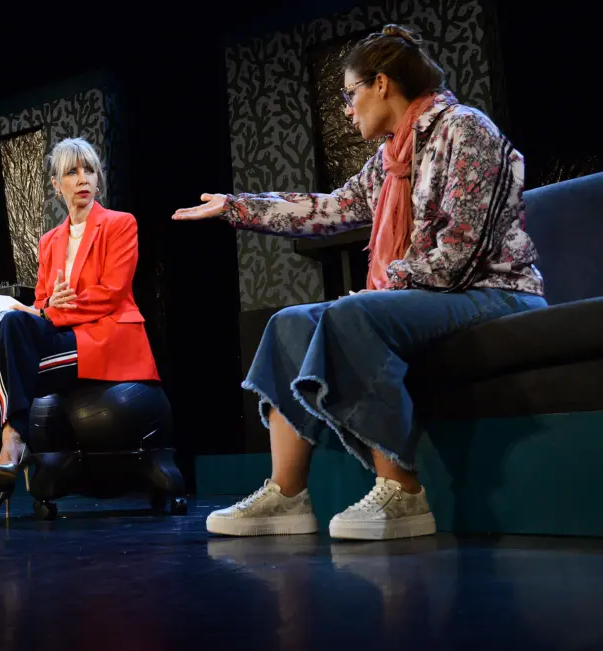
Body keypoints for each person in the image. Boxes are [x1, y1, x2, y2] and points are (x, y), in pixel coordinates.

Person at [173, 24, 546, 540]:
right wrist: (235, 207)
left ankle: (403, 492)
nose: (347, 110)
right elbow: (331, 209)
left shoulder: (466, 130)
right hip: (434, 292)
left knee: (354, 314)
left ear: (382, 84)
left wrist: (386, 287)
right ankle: (287, 495)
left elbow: (463, 251)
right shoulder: (391, 159)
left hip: (495, 292)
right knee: (288, 323)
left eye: (350, 94)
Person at [0, 137, 159, 523]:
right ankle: (12, 442)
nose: (83, 179)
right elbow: (44, 303)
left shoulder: (120, 224)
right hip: (67, 337)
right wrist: (37, 310)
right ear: (55, 184)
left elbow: (112, 294)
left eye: (89, 170)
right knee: (11, 325)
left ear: (98, 178)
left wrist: (50, 312)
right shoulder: (49, 242)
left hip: (108, 338)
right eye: (72, 172)